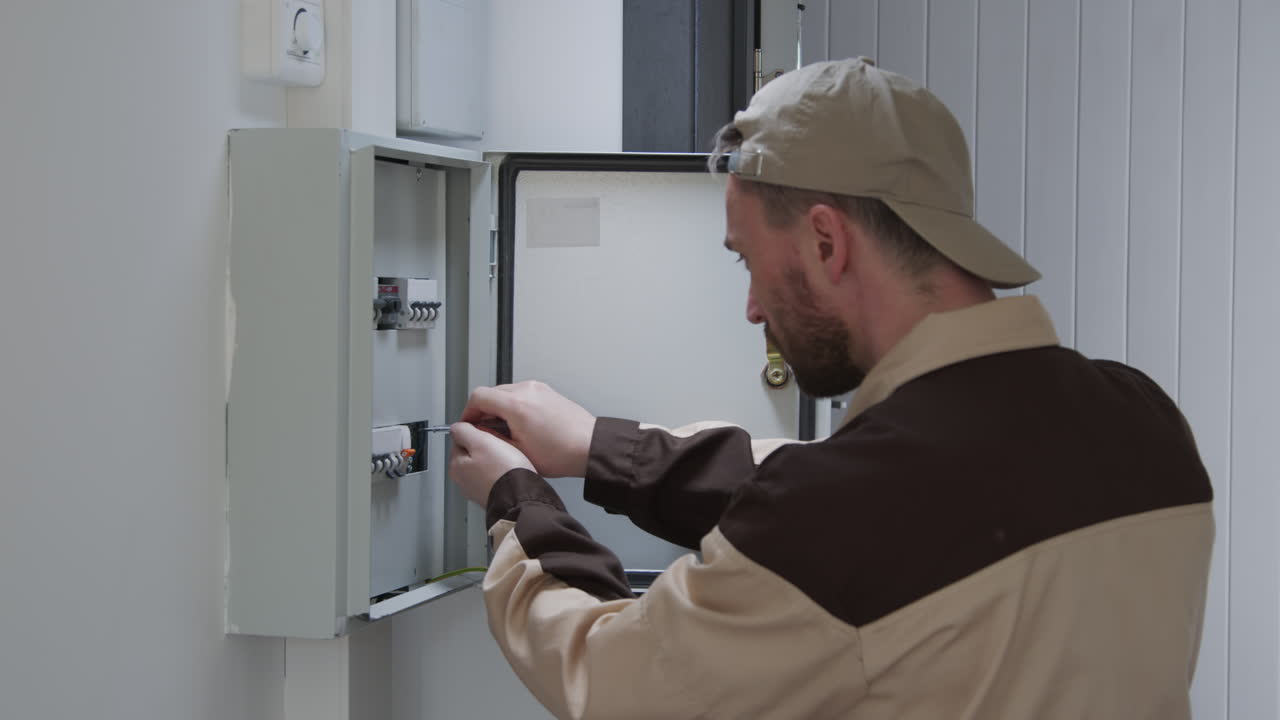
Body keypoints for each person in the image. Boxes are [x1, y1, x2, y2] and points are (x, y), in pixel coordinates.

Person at [447, 58, 1214, 719]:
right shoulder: (1143, 423)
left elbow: (604, 677)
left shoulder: (845, 513)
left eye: (747, 261)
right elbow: (838, 486)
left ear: (825, 240)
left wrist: (518, 503)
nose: (751, 307)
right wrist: (597, 449)